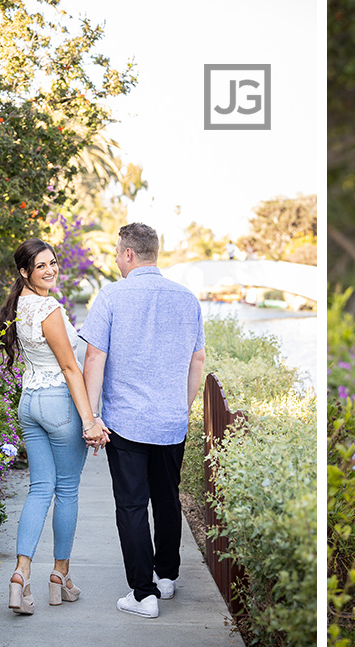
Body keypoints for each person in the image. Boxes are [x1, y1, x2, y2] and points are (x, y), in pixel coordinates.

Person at [80, 222, 206, 618]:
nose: (117, 259)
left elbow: (94, 358)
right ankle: (166, 578)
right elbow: (197, 360)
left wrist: (93, 415)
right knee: (167, 498)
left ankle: (143, 594)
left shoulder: (112, 296)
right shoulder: (187, 299)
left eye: (118, 252)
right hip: (171, 422)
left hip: (127, 422)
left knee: (132, 506)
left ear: (129, 254)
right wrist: (181, 409)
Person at [0, 238, 109, 616]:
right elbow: (71, 369)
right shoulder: (49, 308)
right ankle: (59, 577)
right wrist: (90, 420)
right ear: (25, 272)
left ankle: (20, 577)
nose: (51, 270)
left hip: (29, 403)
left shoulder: (19, 303)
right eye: (41, 266)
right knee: (66, 491)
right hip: (58, 405)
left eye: (53, 263)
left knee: (39, 490)